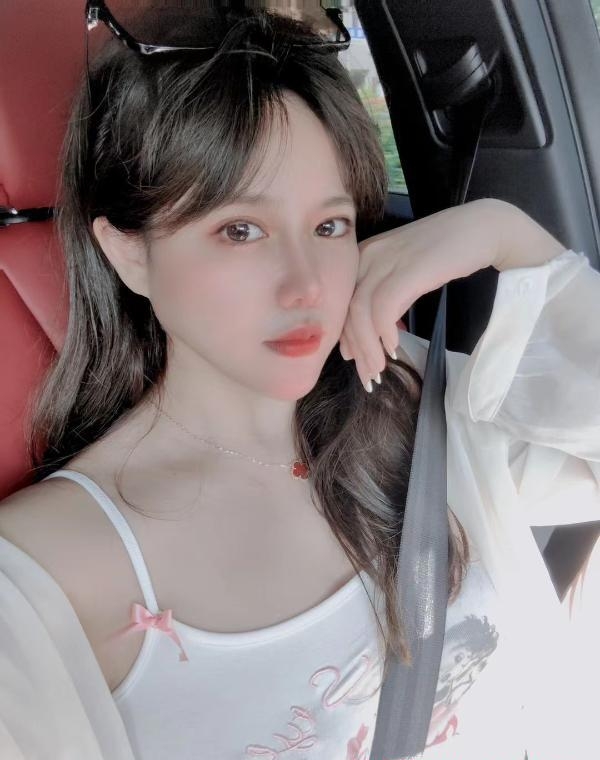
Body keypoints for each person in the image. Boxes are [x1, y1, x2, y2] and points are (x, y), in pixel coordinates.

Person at [0, 5, 598, 760]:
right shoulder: (43, 573)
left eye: (330, 226)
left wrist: (504, 235)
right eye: (240, 230)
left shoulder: (414, 399)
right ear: (129, 254)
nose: (306, 285)